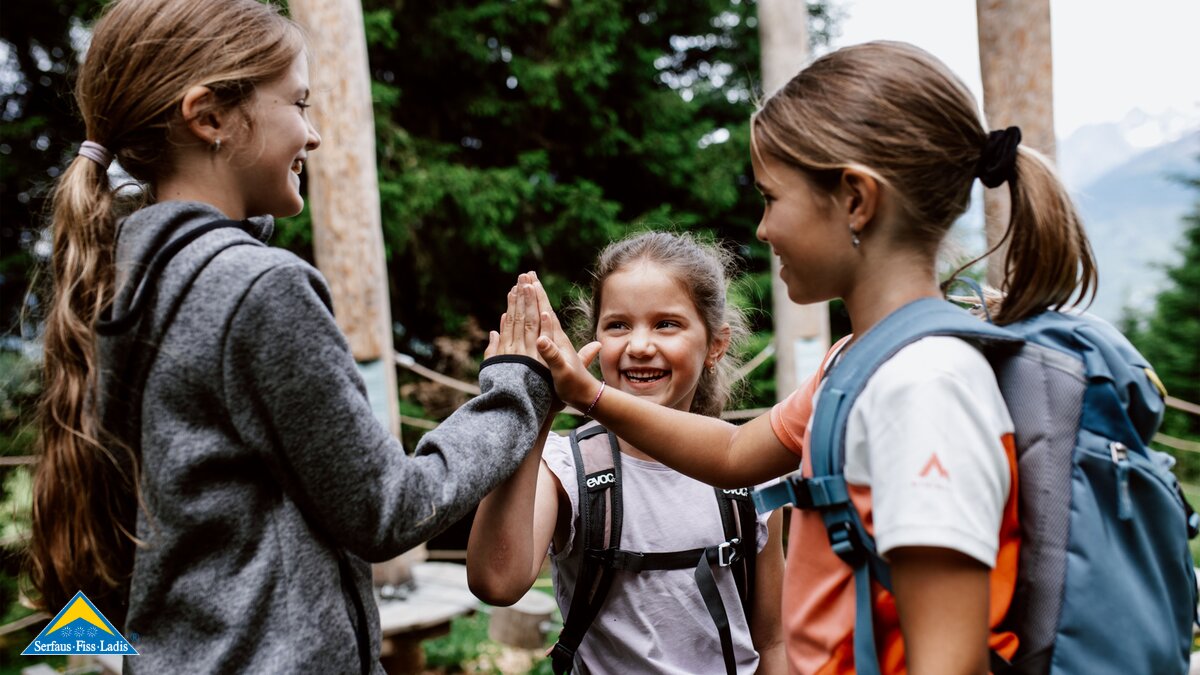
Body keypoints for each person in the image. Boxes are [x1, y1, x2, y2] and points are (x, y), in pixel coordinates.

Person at [532, 41, 1097, 674]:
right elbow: (732, 455)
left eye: (772, 198)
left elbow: (950, 662)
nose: (763, 229)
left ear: (856, 199)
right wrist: (588, 395)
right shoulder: (854, 363)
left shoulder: (923, 388)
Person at [27, 1, 554, 672]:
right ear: (209, 117)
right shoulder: (255, 288)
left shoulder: (119, 281)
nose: (314, 135)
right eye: (299, 104)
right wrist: (517, 389)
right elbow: (390, 507)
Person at [466, 233, 786, 674]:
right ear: (594, 339)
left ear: (715, 344)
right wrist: (533, 410)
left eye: (666, 324)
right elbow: (496, 582)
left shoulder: (751, 470)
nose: (639, 346)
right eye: (618, 325)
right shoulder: (564, 468)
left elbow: (771, 641)